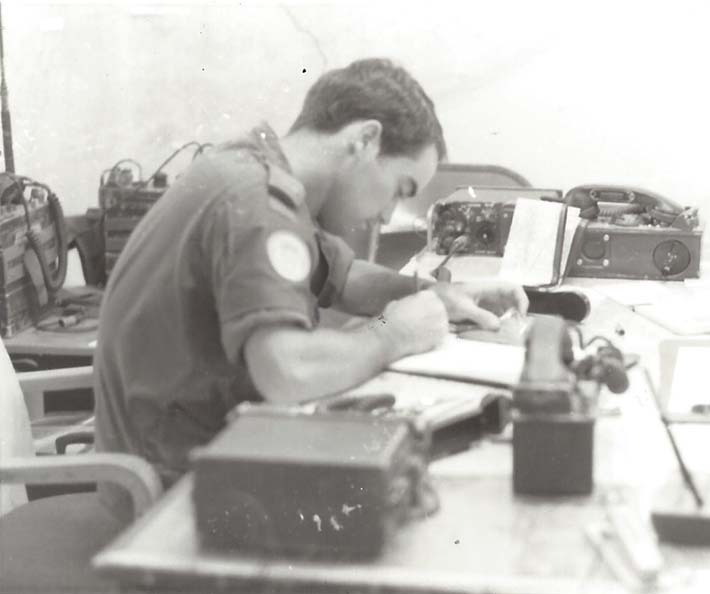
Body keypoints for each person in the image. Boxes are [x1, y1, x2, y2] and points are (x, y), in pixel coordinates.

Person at [93, 58, 528, 519]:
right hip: (169, 492)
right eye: (399, 188)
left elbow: (341, 277)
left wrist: (430, 293)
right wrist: (391, 333)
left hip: (193, 450)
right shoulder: (257, 203)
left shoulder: (258, 169)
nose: (387, 214)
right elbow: (287, 371)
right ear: (364, 140)